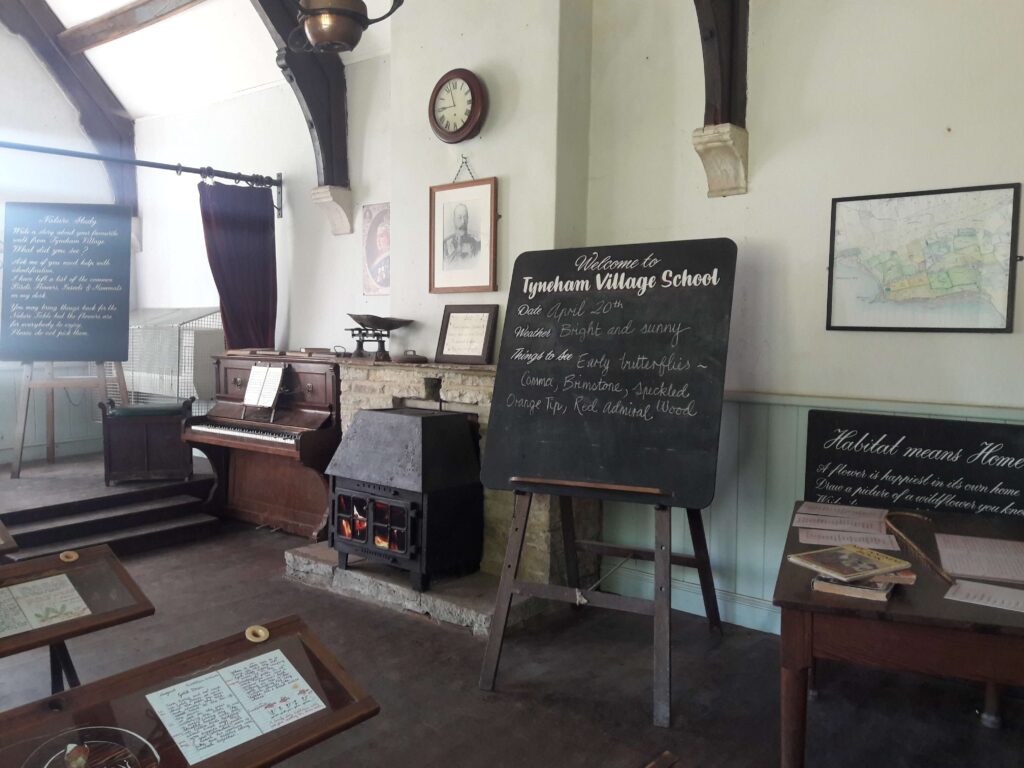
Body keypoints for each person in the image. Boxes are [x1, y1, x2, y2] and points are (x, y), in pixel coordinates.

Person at [442, 203, 480, 270]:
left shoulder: (476, 243)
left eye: (465, 217)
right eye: (459, 217)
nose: (463, 221)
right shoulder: (445, 245)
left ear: (468, 219)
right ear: (454, 220)